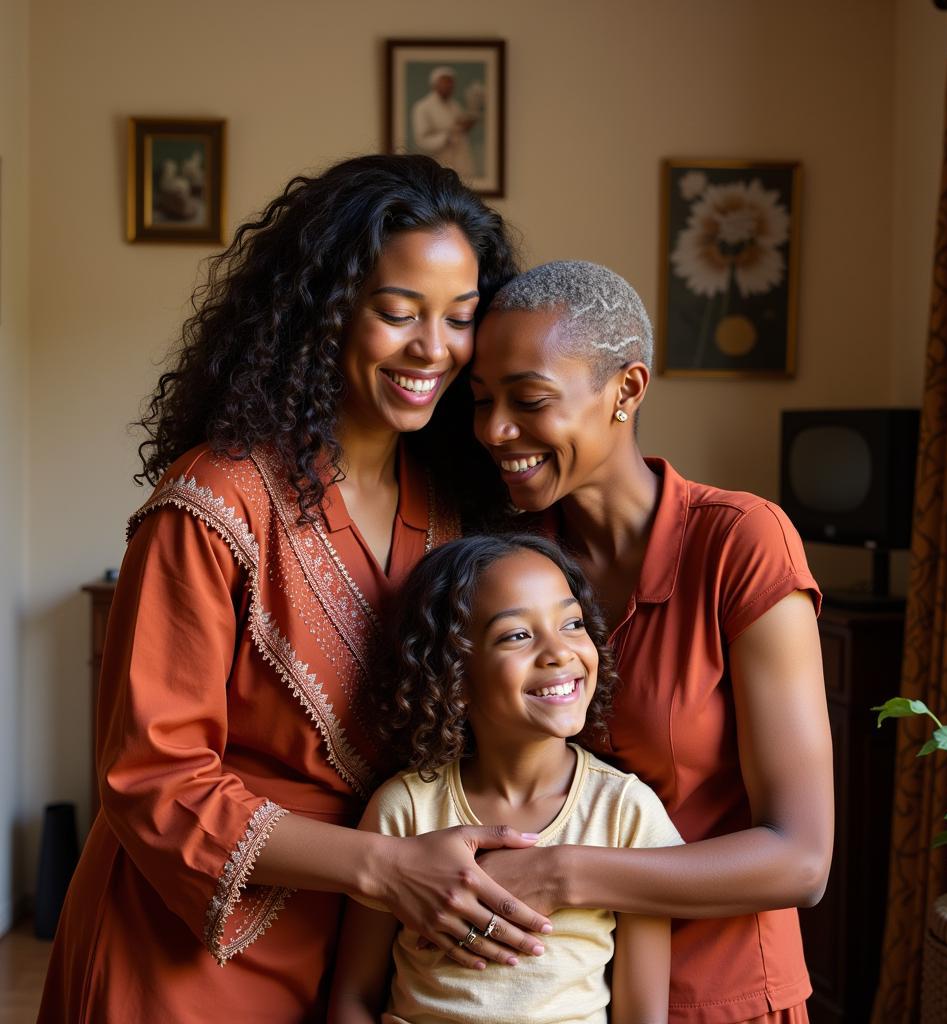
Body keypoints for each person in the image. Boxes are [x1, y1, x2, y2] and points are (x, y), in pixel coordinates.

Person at [38, 155, 555, 1023]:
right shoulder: (213, 501)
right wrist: (386, 866)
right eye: (398, 313)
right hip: (189, 943)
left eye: (460, 319)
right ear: (326, 312)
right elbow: (150, 778)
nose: (433, 349)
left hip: (367, 947)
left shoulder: (461, 508)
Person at [468, 261, 834, 1024]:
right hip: (548, 997)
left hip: (718, 996)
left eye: (528, 401)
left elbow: (801, 859)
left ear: (627, 391)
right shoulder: (509, 560)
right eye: (481, 402)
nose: (494, 430)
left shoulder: (741, 543)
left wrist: (566, 875)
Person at [329, 534, 683, 1024]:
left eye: (572, 623)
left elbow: (644, 1014)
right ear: (454, 673)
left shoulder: (625, 811)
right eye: (517, 635)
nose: (559, 652)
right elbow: (353, 997)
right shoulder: (404, 808)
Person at [411, 66, 478, 179]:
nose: (449, 86)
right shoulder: (423, 107)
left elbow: (459, 129)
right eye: (445, 83)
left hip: (459, 162)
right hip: (437, 163)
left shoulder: (455, 106)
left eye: (451, 83)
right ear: (435, 84)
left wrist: (465, 126)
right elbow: (421, 140)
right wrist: (447, 137)